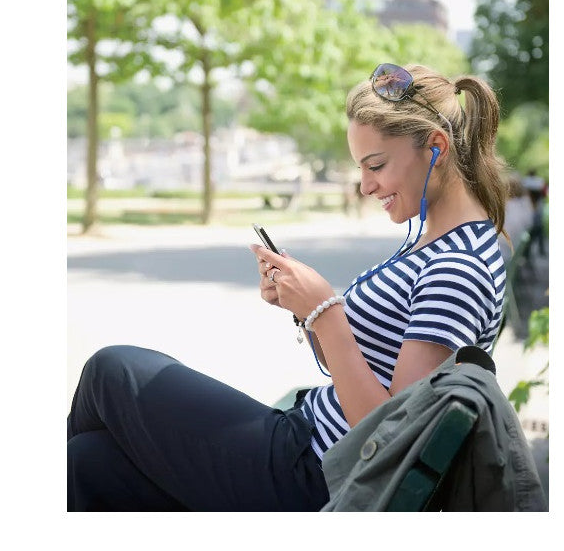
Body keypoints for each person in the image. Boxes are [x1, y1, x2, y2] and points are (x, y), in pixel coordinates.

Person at [67, 62, 509, 511]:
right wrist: (304, 307)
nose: (365, 186)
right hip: (306, 447)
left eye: (376, 165)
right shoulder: (440, 244)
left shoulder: (458, 268)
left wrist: (326, 312)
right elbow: (370, 368)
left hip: (314, 475)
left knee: (111, 371)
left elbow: (393, 441)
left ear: (436, 147)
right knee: (87, 462)